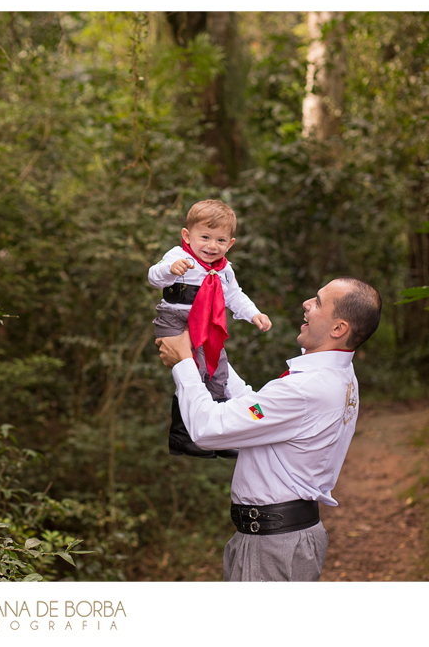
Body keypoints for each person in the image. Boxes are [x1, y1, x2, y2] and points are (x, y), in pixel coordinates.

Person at [156, 277, 382, 582]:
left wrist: (183, 362)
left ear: (338, 329)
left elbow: (207, 428)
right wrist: (210, 357)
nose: (306, 304)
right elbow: (258, 407)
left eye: (316, 302)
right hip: (272, 539)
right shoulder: (336, 371)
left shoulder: (306, 389)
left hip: (274, 546)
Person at [148, 199, 272, 458]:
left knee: (218, 375)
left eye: (220, 240)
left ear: (231, 243)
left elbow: (235, 296)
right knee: (195, 373)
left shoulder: (224, 269)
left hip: (204, 329)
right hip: (175, 322)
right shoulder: (179, 257)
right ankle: (183, 436)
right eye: (205, 237)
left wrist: (254, 314)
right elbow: (153, 276)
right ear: (187, 235)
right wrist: (170, 270)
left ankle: (223, 435)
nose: (212, 246)